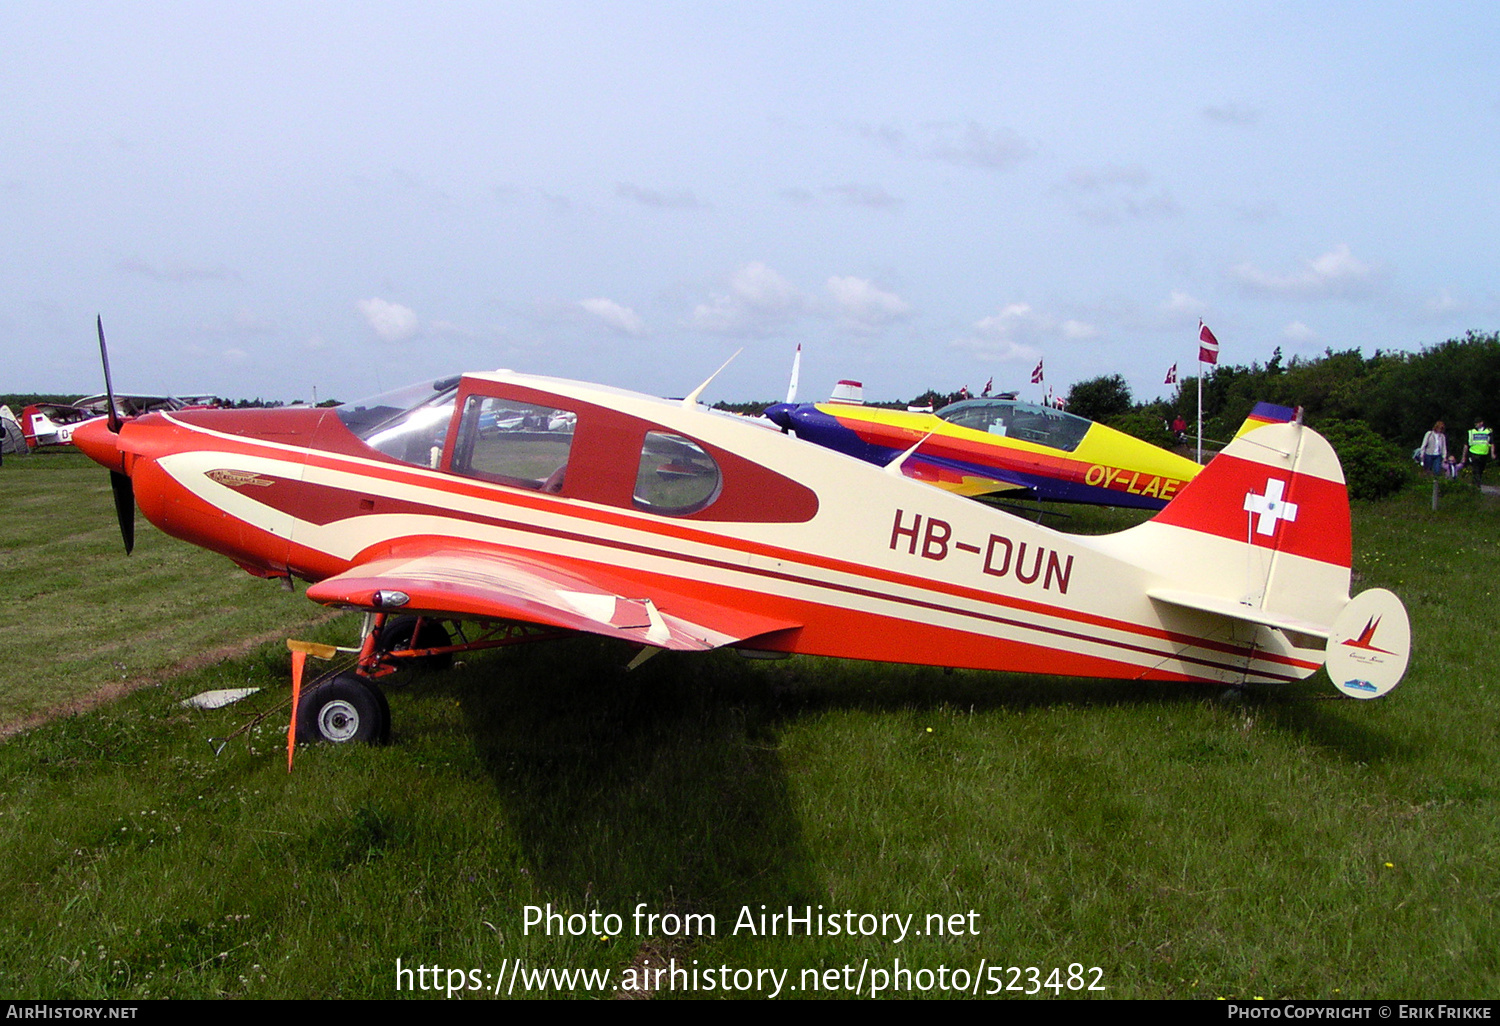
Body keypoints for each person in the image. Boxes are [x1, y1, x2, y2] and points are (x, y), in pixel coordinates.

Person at [1465, 418, 1492, 484]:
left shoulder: (1488, 431)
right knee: (1475, 469)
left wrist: (1492, 453)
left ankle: (1475, 483)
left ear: (1481, 423)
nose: (1476, 424)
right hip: (1474, 453)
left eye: (1477, 423)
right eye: (1475, 423)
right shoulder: (1471, 432)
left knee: (1480, 469)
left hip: (1484, 453)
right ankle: (1477, 484)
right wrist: (1465, 455)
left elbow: (1491, 443)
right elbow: (1466, 444)